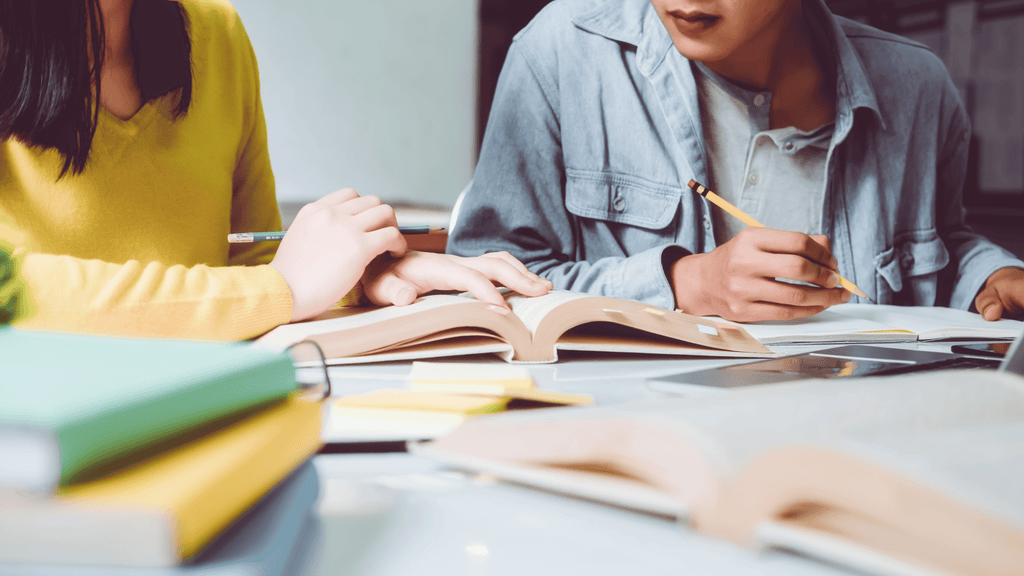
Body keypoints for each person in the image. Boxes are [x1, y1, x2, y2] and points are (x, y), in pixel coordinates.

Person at [0, 0, 551, 340]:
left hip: (204, 415)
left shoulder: (216, 33)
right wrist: (281, 289)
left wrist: (361, 279)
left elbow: (259, 267)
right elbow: (13, 295)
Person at [447, 0, 1024, 322]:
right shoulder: (560, 53)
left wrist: (986, 277)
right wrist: (685, 284)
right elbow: (480, 285)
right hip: (637, 449)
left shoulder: (918, 85)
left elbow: (943, 244)